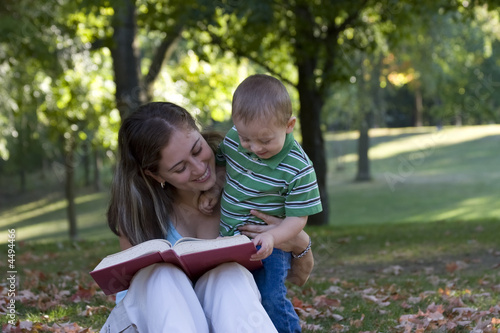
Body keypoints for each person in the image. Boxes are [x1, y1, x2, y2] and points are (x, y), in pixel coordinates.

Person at [100, 101, 314, 332]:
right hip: (154, 319)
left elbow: (296, 279)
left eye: (197, 150)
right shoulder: (140, 214)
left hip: (226, 319)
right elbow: (135, 299)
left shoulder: (246, 186)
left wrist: (299, 241)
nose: (199, 168)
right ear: (154, 174)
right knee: (160, 276)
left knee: (227, 274)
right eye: (180, 168)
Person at [204, 74, 323, 333]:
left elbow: (297, 220)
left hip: (272, 246)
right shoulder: (235, 140)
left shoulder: (298, 168)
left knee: (269, 297)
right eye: (247, 139)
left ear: (289, 125)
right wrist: (215, 189)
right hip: (228, 239)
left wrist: (273, 236)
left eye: (265, 140)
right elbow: (224, 166)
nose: (254, 148)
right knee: (234, 297)